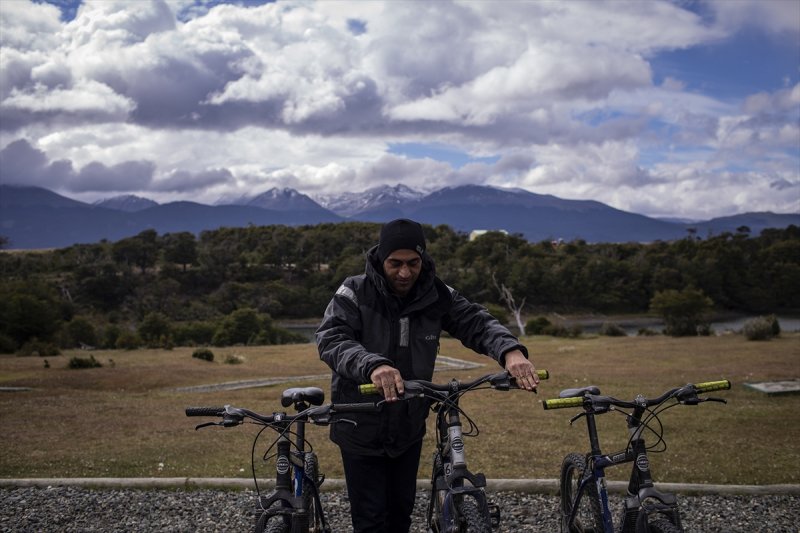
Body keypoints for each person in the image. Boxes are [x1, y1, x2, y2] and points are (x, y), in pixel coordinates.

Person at [315, 218, 539, 533]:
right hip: (359, 422)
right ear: (381, 258)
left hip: (408, 424)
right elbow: (332, 339)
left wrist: (510, 351)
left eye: (413, 263)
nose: (405, 273)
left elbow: (476, 321)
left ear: (423, 259)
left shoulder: (436, 293)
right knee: (370, 520)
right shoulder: (354, 291)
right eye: (395, 263)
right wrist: (373, 365)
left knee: (401, 515)